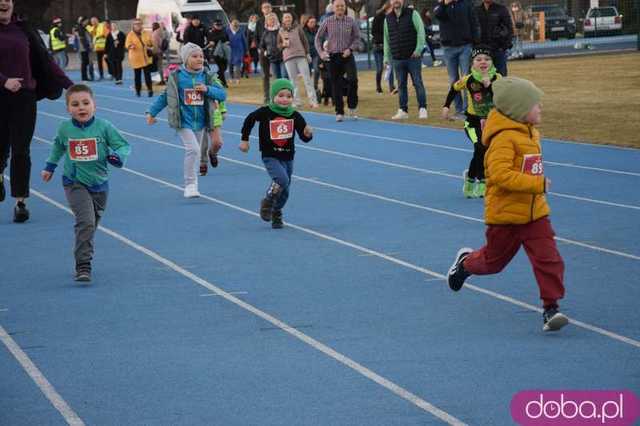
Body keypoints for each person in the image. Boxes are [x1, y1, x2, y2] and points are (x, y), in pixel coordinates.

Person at [447, 76, 568, 333]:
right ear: (519, 111)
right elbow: (500, 176)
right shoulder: (503, 139)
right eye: (536, 105)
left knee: (549, 259)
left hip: (535, 214)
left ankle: (551, 308)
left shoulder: (531, 133)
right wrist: (537, 184)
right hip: (505, 216)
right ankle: (465, 263)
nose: (540, 109)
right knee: (493, 263)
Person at [40, 85, 130, 282]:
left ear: (94, 106)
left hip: (99, 183)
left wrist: (117, 156)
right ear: (68, 109)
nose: (81, 108)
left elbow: (123, 145)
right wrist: (50, 166)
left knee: (90, 225)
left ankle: (83, 247)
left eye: (85, 103)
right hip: (74, 183)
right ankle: (83, 265)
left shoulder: (104, 127)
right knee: (86, 222)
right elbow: (57, 146)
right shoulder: (65, 128)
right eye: (75, 104)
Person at [0, 0, 73, 222]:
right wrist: (3, 81)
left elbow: (46, 61)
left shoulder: (24, 29)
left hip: (24, 97)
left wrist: (71, 86)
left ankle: (20, 202)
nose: (4, 2)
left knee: (21, 150)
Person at [146, 43, 227, 198]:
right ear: (185, 59)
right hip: (183, 120)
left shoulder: (208, 76)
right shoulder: (177, 77)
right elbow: (165, 97)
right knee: (194, 150)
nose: (199, 59)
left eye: (201, 56)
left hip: (201, 121)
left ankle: (194, 184)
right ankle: (189, 184)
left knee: (195, 153)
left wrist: (207, 89)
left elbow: (222, 95)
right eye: (195, 56)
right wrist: (152, 112)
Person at [239, 79, 313, 229]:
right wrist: (245, 140)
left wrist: (308, 134)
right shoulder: (265, 112)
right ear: (273, 96)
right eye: (280, 95)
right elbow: (249, 120)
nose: (284, 99)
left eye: (288, 96)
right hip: (270, 155)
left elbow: (304, 138)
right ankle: (267, 201)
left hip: (288, 156)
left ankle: (276, 211)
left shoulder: (295, 115)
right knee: (282, 179)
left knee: (285, 190)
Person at [442, 46, 500, 198]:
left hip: (492, 122)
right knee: (480, 147)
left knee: (483, 151)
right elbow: (454, 89)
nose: (483, 62)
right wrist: (446, 106)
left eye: (487, 59)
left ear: (492, 62)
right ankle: (482, 182)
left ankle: (469, 179)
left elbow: (502, 98)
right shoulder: (468, 80)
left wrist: (489, 86)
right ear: (472, 63)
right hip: (473, 123)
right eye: (478, 59)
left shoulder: (498, 79)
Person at [314, 0, 361, 122]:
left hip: (347, 55)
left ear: (345, 8)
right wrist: (321, 53)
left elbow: (357, 38)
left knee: (353, 80)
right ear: (333, 8)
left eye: (342, 6)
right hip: (333, 56)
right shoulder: (327, 21)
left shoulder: (351, 21)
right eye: (337, 6)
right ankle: (339, 112)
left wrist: (350, 49)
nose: (340, 8)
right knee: (336, 84)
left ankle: (352, 107)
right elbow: (318, 38)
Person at [383, 0, 428, 120]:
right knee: (401, 85)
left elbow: (421, 32)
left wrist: (418, 50)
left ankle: (422, 109)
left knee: (418, 83)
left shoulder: (413, 13)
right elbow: (386, 40)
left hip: (413, 57)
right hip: (397, 58)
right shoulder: (387, 18)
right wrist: (386, 57)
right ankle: (403, 110)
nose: (396, 1)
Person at [434, 0, 479, 118]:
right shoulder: (441, 5)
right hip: (448, 47)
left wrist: (476, 43)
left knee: (466, 78)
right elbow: (438, 15)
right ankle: (458, 109)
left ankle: (466, 110)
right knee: (453, 79)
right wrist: (444, 3)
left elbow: (473, 22)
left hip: (465, 45)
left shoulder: (467, 4)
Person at [279, 12, 318, 108]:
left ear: (292, 18)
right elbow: (278, 46)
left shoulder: (298, 28)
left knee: (307, 79)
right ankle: (296, 102)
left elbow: (304, 41)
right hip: (288, 58)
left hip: (300, 56)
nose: (288, 19)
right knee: (293, 81)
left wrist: (307, 53)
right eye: (286, 18)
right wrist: (283, 45)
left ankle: (313, 101)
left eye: (289, 17)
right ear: (283, 20)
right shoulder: (280, 31)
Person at [476, 0, 513, 76]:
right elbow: (473, 29)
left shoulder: (501, 9)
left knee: (501, 77)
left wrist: (504, 46)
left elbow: (509, 28)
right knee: (482, 79)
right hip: (481, 51)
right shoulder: (476, 10)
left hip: (498, 50)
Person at [372, 2, 396, 95]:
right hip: (378, 46)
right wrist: (384, 39)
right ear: (387, 9)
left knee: (390, 67)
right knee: (379, 69)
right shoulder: (378, 18)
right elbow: (374, 32)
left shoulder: (391, 18)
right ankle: (378, 87)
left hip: (388, 46)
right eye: (391, 9)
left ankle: (392, 87)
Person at [126, 18, 154, 97]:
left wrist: (150, 46)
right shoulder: (130, 34)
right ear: (133, 25)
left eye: (139, 24)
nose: (138, 25)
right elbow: (127, 44)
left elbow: (151, 42)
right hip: (136, 58)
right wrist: (131, 46)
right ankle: (138, 91)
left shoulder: (146, 33)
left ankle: (150, 90)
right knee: (137, 76)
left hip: (145, 58)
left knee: (147, 75)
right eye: (136, 24)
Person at [256, 2, 274, 104]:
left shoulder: (277, 20)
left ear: (271, 9)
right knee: (265, 75)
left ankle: (276, 96)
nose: (266, 9)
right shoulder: (259, 22)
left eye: (268, 7)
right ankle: (266, 97)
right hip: (263, 52)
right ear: (262, 10)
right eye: (264, 7)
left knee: (276, 75)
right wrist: (260, 48)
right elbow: (256, 36)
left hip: (275, 53)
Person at [302, 15, 321, 100]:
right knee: (307, 73)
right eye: (311, 22)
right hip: (306, 54)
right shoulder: (303, 31)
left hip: (316, 54)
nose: (313, 24)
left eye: (314, 22)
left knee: (317, 69)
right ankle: (309, 89)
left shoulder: (319, 29)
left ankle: (315, 86)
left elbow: (322, 38)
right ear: (307, 23)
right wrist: (305, 53)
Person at [260, 12, 283, 81]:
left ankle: (288, 90)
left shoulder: (281, 30)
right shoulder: (265, 33)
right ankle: (279, 91)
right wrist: (265, 51)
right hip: (272, 58)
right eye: (270, 19)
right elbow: (262, 45)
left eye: (273, 19)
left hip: (283, 57)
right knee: (276, 78)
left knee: (284, 75)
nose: (272, 21)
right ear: (267, 22)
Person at [225, 19, 246, 85]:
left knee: (238, 66)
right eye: (233, 25)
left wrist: (246, 50)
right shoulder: (227, 31)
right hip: (230, 50)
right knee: (230, 65)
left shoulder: (240, 31)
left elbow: (244, 41)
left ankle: (237, 79)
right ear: (231, 25)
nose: (235, 27)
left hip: (239, 50)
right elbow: (224, 39)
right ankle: (231, 78)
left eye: (236, 26)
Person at [77, 17, 94, 81]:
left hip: (85, 47)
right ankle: (84, 77)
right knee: (84, 62)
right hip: (83, 48)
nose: (87, 22)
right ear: (82, 21)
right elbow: (82, 39)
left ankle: (85, 77)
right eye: (86, 21)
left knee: (86, 62)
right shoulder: (81, 28)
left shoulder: (84, 28)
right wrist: (87, 47)